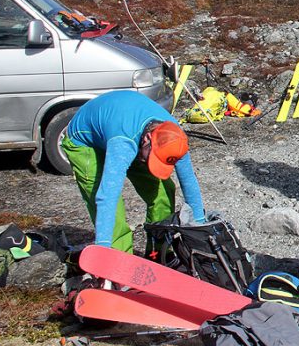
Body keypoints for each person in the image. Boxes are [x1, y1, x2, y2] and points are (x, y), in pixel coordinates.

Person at [62, 90, 205, 253]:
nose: (153, 164)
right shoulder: (123, 143)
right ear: (147, 140)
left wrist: (201, 228)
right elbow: (107, 196)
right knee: (113, 210)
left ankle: (158, 253)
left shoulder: (174, 137)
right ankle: (119, 264)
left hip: (126, 132)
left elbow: (189, 182)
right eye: (153, 160)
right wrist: (103, 248)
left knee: (164, 192)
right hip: (85, 142)